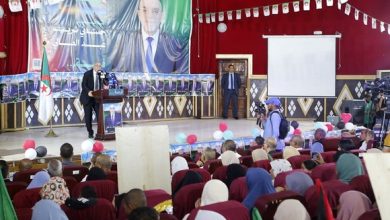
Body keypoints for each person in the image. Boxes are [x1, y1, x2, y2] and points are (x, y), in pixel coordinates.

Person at [131, 0, 188, 73]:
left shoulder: (175, 45)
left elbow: (181, 78)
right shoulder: (127, 44)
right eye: (145, 11)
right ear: (139, 14)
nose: (150, 16)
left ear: (162, 15)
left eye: (155, 11)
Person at [80, 62, 107, 139]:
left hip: (97, 98)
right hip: (87, 97)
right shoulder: (87, 74)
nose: (98, 67)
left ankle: (100, 132)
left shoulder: (101, 74)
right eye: (97, 66)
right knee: (88, 117)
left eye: (100, 66)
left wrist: (105, 81)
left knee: (100, 116)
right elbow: (84, 85)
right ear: (93, 66)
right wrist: (89, 92)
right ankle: (90, 132)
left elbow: (105, 82)